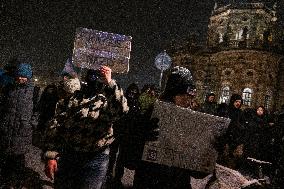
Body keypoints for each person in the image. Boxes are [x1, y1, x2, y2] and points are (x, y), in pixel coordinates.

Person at [44, 66, 128, 189]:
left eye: (98, 76)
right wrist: (51, 156)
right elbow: (56, 125)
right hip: (69, 155)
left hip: (96, 159)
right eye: (91, 75)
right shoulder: (73, 97)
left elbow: (121, 109)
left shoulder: (107, 99)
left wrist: (110, 82)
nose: (94, 79)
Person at [133, 66, 197, 189]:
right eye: (185, 96)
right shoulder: (152, 114)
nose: (189, 101)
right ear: (173, 93)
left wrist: (210, 148)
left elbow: (197, 172)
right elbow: (130, 159)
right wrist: (141, 139)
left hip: (179, 183)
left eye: (191, 96)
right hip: (149, 182)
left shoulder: (191, 120)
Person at [0, 61, 39, 188]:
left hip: (22, 132)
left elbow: (38, 111)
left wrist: (32, 124)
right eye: (19, 75)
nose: (21, 78)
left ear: (29, 77)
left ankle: (15, 184)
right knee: (4, 160)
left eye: (24, 76)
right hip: (6, 130)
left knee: (18, 161)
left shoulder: (34, 91)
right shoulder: (8, 88)